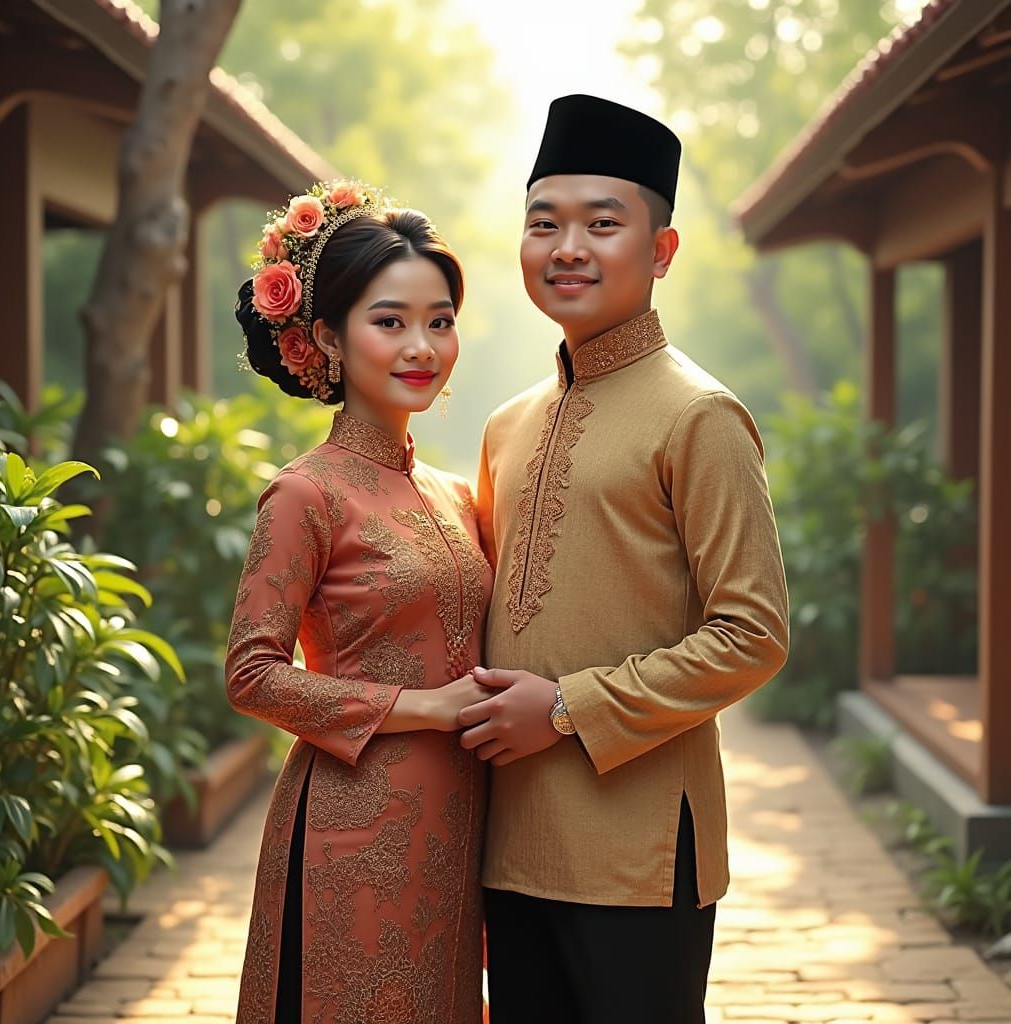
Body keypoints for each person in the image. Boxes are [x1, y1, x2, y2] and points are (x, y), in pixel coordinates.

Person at [459, 95, 790, 1023]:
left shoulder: (701, 417)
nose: (569, 247)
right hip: (510, 846)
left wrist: (567, 708)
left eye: (603, 223)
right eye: (544, 223)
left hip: (641, 854)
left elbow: (752, 635)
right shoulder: (506, 425)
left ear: (662, 250)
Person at [226, 180, 494, 1024]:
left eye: (440, 320)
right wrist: (425, 708)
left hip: (462, 826)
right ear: (327, 338)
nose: (422, 346)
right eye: (391, 321)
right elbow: (252, 675)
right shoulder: (305, 494)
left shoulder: (457, 495)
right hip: (354, 825)